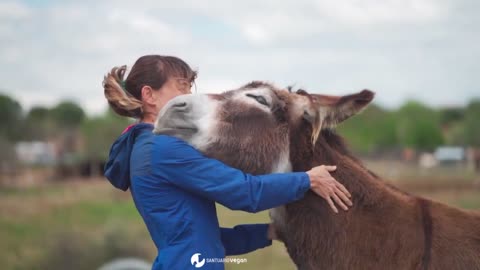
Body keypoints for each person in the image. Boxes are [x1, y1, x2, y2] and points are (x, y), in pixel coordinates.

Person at [103, 55, 352, 270]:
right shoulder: (162, 149)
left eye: (190, 88)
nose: (190, 96)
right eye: (182, 87)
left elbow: (201, 240)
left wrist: (268, 232)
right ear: (149, 95)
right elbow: (243, 192)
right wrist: (307, 179)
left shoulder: (147, 148)